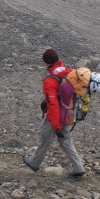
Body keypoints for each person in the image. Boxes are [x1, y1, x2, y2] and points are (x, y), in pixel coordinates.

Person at [22, 48, 85, 177]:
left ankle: (34, 163)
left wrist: (56, 126)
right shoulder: (69, 73)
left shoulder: (50, 80)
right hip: (70, 114)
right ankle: (78, 167)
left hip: (56, 118)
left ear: (46, 62)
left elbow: (53, 104)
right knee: (66, 141)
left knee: (45, 139)